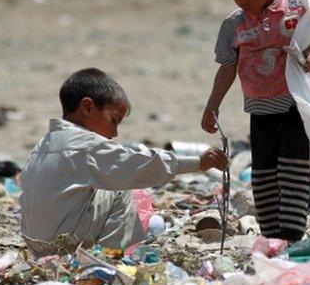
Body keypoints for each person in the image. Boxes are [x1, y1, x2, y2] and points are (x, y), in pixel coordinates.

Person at [202, 0, 310, 243]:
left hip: (294, 107)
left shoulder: (298, 8)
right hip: (260, 110)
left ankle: (291, 237)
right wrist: (212, 105)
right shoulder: (234, 25)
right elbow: (228, 67)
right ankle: (272, 237)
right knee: (264, 178)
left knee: (294, 172)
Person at [20, 68, 228, 256]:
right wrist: (197, 163)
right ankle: (109, 262)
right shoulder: (86, 144)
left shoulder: (43, 145)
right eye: (114, 120)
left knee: (109, 180)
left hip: (35, 246)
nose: (114, 133)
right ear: (87, 107)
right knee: (118, 188)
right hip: (61, 245)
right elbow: (138, 165)